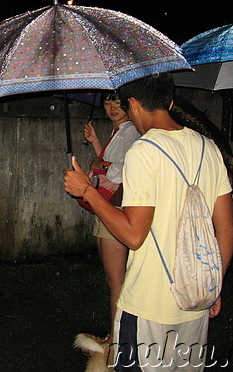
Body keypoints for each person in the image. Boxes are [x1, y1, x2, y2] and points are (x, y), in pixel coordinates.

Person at [64, 73, 233, 370]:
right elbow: (226, 228)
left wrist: (88, 192)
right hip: (194, 301)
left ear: (132, 103)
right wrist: (214, 284)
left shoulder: (143, 151)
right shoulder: (209, 148)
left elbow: (133, 235)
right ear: (169, 101)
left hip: (149, 306)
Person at [82, 93, 139, 342]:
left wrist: (100, 166)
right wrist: (96, 142)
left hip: (115, 210)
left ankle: (119, 341)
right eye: (107, 102)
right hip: (106, 207)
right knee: (112, 277)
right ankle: (118, 335)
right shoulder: (120, 131)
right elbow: (108, 161)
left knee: (117, 280)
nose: (113, 107)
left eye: (118, 102)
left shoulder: (132, 131)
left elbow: (121, 170)